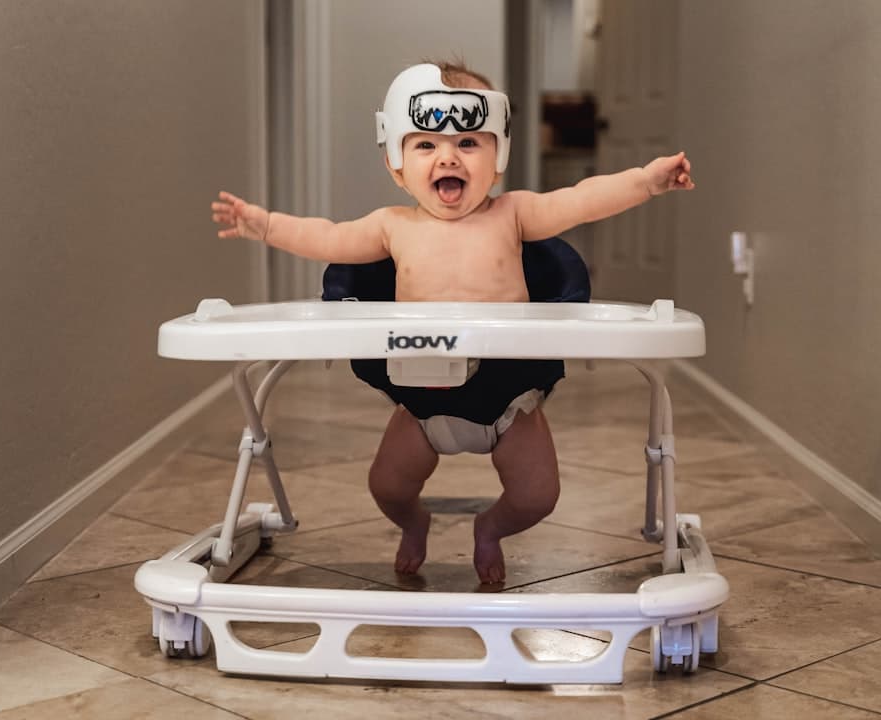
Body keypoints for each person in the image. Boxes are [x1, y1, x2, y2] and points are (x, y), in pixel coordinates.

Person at [211, 61, 694, 584]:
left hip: (509, 399)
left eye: (468, 142)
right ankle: (414, 523)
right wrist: (264, 225)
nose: (448, 156)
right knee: (387, 488)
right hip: (420, 399)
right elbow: (325, 237)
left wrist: (645, 182)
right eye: (426, 145)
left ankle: (490, 529)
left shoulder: (513, 214)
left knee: (539, 496)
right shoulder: (391, 227)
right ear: (397, 162)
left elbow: (579, 201)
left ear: (498, 155)